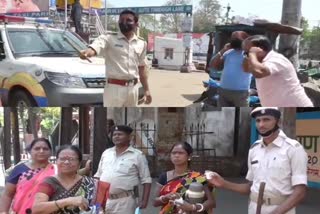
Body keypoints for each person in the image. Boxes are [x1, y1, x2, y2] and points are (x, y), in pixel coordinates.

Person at [206, 107, 308, 214]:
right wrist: (223, 183)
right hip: (254, 209)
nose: (261, 125)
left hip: (282, 210)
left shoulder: (293, 149)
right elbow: (250, 187)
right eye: (258, 120)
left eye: (266, 120)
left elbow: (300, 192)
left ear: (278, 121)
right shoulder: (254, 149)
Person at [80, 9, 152, 107]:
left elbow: (142, 68)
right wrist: (88, 52)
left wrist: (146, 90)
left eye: (128, 20)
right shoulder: (109, 38)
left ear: (136, 24)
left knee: (130, 116)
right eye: (121, 20)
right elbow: (96, 46)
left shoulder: (142, 43)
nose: (124, 22)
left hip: (133, 89)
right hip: (114, 89)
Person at [0, 138, 91, 214]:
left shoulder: (56, 168)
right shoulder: (19, 169)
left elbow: (72, 176)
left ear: (51, 152)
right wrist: (4, 212)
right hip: (22, 211)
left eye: (45, 148)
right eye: (37, 148)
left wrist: (86, 170)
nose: (41, 151)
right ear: (30, 151)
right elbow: (8, 194)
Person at [32, 145, 110, 214]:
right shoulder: (49, 182)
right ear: (56, 161)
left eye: (71, 159)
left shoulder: (93, 185)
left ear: (79, 164)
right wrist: (68, 201)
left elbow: (98, 209)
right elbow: (37, 209)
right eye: (62, 159)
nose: (66, 162)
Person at [242, 35, 313, 107]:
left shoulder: (276, 59)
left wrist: (252, 54)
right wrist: (247, 55)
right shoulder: (258, 62)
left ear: (261, 49)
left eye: (248, 53)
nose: (249, 56)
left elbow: (259, 73)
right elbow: (246, 69)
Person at [94, 125, 152, 214]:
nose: (116, 136)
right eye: (114, 134)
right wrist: (94, 197)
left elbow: (146, 180)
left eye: (120, 134)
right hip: (103, 199)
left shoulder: (137, 155)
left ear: (129, 137)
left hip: (125, 201)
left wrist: (144, 200)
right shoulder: (106, 153)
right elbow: (98, 176)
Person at [153, 142, 215, 214]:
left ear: (189, 157)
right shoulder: (164, 176)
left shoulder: (198, 177)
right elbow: (154, 202)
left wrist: (193, 207)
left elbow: (211, 202)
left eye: (181, 153)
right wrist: (165, 198)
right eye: (174, 153)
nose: (176, 155)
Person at [210, 31, 252, 107]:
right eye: (232, 38)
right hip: (223, 91)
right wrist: (223, 50)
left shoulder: (250, 54)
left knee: (241, 113)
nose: (233, 40)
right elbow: (213, 66)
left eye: (236, 38)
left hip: (241, 92)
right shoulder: (228, 52)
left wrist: (247, 50)